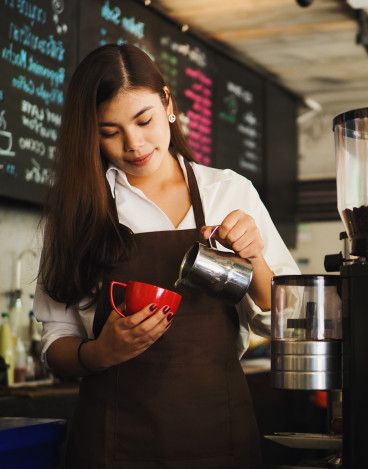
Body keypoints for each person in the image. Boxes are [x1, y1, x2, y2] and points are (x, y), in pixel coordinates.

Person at [34, 43, 299, 468]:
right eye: (109, 131)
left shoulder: (228, 192)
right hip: (114, 443)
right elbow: (54, 341)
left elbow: (284, 319)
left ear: (168, 103)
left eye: (144, 120)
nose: (134, 144)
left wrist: (256, 258)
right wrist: (99, 353)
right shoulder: (76, 212)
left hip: (219, 434)